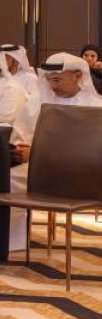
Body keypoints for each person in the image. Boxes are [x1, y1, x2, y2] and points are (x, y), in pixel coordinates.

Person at [7, 53, 102, 248]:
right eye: (49, 80)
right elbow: (20, 134)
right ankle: (8, 243)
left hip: (82, 174)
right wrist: (21, 149)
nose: (52, 86)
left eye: (57, 80)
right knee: (4, 179)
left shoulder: (96, 107)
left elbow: (87, 151)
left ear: (77, 76)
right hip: (41, 170)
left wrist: (35, 154)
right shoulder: (38, 103)